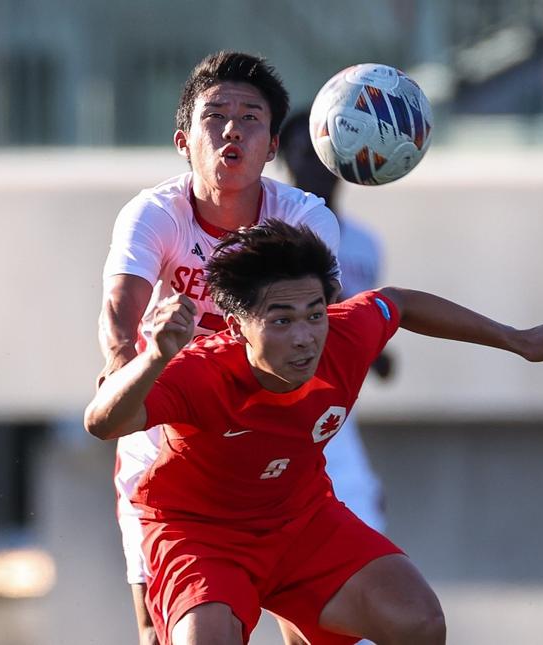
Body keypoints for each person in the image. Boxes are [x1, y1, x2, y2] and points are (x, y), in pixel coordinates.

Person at [85, 220, 543, 645]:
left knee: (419, 620)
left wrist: (515, 338)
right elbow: (102, 423)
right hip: (200, 534)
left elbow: (400, 303)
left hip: (301, 520)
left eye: (314, 315)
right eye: (280, 320)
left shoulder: (345, 335)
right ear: (237, 327)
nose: (304, 337)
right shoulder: (200, 372)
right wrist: (153, 356)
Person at [98, 52, 341, 645]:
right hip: (165, 450)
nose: (232, 129)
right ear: (184, 141)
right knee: (160, 634)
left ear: (273, 142)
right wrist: (123, 374)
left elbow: (323, 331)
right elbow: (118, 317)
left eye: (250, 117)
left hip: (264, 438)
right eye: (216, 115)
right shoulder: (154, 213)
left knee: (306, 619)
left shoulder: (305, 219)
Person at [278, 110, 391, 534]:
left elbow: (357, 329)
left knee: (367, 535)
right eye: (302, 153)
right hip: (279, 413)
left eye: (322, 154)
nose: (312, 164)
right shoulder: (268, 235)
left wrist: (378, 352)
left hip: (336, 419)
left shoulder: (365, 244)